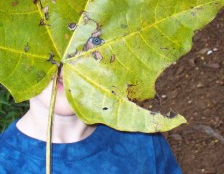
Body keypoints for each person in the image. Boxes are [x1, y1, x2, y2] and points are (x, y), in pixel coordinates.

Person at [0, 70, 182, 173]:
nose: (64, 66)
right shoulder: (5, 162)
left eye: (86, 45)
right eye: (50, 52)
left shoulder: (142, 140)